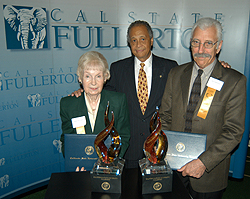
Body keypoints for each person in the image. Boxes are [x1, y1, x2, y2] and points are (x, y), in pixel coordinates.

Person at [159, 17, 246, 199]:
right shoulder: (175, 74)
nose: (200, 50)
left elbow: (233, 131)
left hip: (209, 175)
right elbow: (165, 117)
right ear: (190, 43)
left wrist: (203, 162)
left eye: (208, 44)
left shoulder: (234, 81)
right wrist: (167, 153)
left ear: (219, 46)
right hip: (174, 169)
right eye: (196, 42)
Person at [60, 51, 130, 161]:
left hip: (109, 167)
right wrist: (74, 161)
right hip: (81, 167)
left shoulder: (118, 101)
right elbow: (67, 140)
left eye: (98, 76)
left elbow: (124, 137)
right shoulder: (68, 104)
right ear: (80, 78)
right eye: (88, 76)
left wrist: (111, 162)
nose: (93, 82)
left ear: (105, 78)